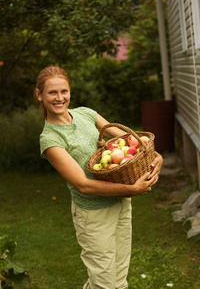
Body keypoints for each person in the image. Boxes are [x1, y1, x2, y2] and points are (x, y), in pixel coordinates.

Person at [34, 65, 163, 289]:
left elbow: (130, 140)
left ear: (70, 91)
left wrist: (154, 155)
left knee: (119, 279)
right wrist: (132, 190)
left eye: (63, 91)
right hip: (93, 215)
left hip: (120, 204)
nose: (59, 98)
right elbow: (84, 185)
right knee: (103, 282)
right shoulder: (50, 139)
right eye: (52, 93)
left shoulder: (86, 113)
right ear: (39, 95)